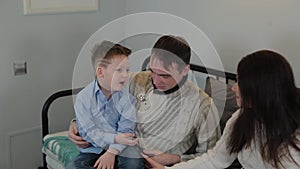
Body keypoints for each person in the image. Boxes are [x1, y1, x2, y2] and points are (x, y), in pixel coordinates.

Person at [69, 35, 221, 167]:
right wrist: (76, 124)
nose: (155, 80)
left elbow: (213, 159)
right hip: (117, 150)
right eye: (153, 71)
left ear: (185, 70)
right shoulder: (138, 81)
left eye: (165, 76)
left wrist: (174, 159)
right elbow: (102, 99)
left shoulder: (203, 106)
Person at [143, 50, 300, 169]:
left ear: (259, 90)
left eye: (239, 82)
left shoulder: (294, 143)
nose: (234, 88)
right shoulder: (242, 117)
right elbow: (216, 159)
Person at [66, 41, 143, 169]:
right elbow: (87, 132)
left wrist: (111, 152)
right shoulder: (83, 98)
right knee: (73, 167)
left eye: (127, 70)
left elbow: (126, 131)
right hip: (93, 149)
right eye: (119, 70)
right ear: (100, 72)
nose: (125, 75)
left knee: (134, 164)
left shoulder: (127, 99)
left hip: (123, 148)